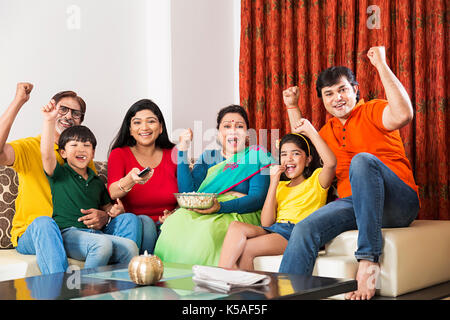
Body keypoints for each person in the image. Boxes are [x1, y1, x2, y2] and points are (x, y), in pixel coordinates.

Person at [280, 46, 420, 300]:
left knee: (362, 161)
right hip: (356, 205)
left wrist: (381, 66)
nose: (337, 98)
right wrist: (292, 105)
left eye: (343, 90)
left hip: (398, 201)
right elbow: (301, 139)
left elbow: (403, 114)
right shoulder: (327, 131)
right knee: (303, 229)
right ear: (323, 100)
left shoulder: (373, 110)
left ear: (355, 90)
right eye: (329, 93)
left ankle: (367, 261)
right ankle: (286, 297)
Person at [0, 84, 110, 274]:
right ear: (51, 111)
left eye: (76, 113)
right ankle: (62, 291)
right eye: (63, 109)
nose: (69, 116)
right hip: (36, 232)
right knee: (45, 223)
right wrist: (18, 101)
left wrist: (105, 216)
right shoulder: (30, 147)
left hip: (71, 232)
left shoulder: (80, 156)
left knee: (129, 222)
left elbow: (94, 197)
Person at [154, 105, 275, 266]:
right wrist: (182, 150)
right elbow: (189, 192)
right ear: (219, 133)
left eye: (239, 126)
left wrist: (220, 206)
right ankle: (168, 285)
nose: (233, 131)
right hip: (205, 209)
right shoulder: (208, 157)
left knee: (206, 234)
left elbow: (257, 199)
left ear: (247, 132)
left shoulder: (257, 155)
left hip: (240, 212)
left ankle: (202, 285)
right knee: (174, 225)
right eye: (226, 126)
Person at [218, 118, 336, 270]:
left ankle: (243, 288)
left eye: (296, 154)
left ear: (308, 160)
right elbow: (266, 223)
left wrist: (310, 131)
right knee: (235, 227)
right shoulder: (280, 186)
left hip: (297, 232)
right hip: (277, 229)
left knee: (247, 248)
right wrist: (274, 182)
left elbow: (331, 163)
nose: (289, 159)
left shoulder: (317, 179)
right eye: (284, 154)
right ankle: (222, 273)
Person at [40, 100, 140, 268]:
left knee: (130, 247)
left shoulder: (96, 181)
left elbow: (107, 207)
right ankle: (88, 292)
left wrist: (114, 211)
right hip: (68, 233)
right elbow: (46, 154)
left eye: (86, 145)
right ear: (63, 152)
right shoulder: (60, 173)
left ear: (93, 153)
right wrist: (49, 121)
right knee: (101, 245)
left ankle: (121, 291)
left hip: (95, 233)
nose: (81, 149)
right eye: (74, 145)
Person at [107, 99, 178, 254]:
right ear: (130, 129)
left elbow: (186, 193)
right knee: (146, 223)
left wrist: (174, 214)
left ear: (160, 127)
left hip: (166, 225)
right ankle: (145, 271)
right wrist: (130, 180)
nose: (144, 127)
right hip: (134, 228)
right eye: (137, 122)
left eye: (151, 121)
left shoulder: (174, 154)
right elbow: (113, 192)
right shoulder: (119, 154)